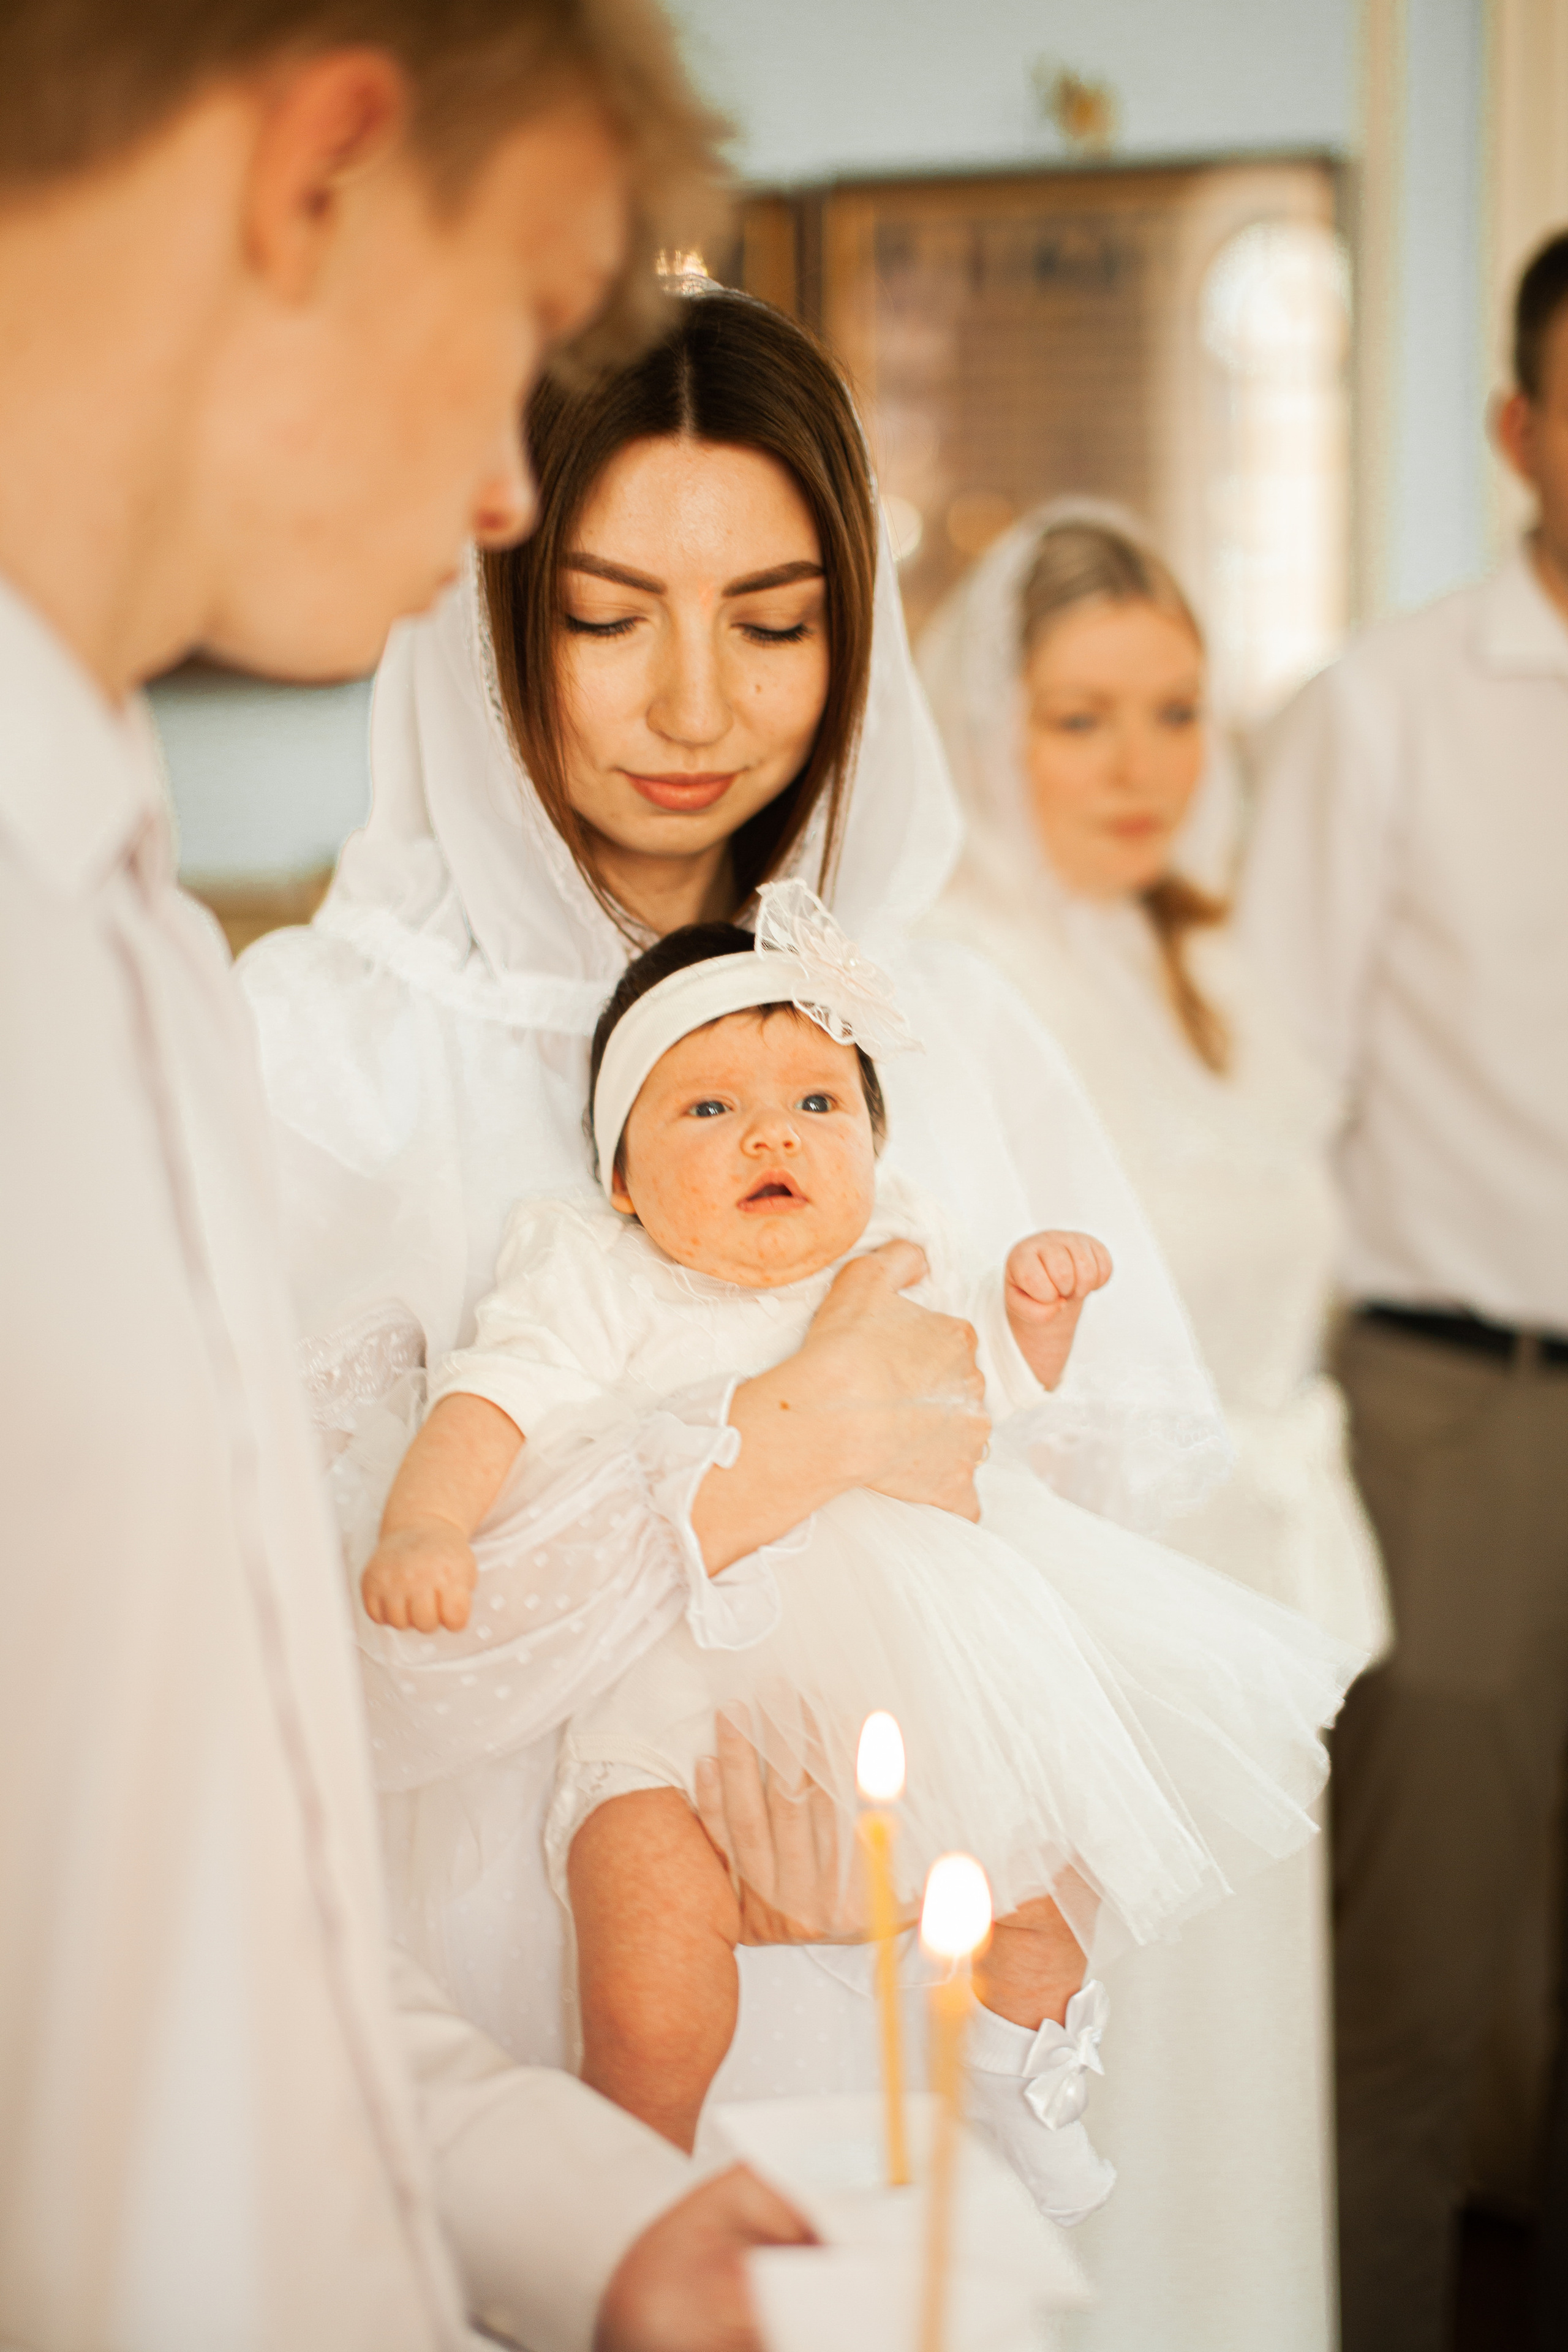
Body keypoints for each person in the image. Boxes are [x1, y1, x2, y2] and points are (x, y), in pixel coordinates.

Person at [0, 7, 847, 2347]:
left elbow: (216, 1872)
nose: (504, 488)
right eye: (516, 324)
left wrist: (580, 2216)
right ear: (323, 171)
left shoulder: (136, 940)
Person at [239, 288, 1238, 2147]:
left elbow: (1083, 1593)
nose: (697, 705)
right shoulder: (319, 1059)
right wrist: (770, 1445)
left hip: (882, 2009)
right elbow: (268, 1683)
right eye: (608, 619)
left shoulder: (955, 1026)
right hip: (462, 2040)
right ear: (485, 621)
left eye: (775, 625)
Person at [353, 886, 1359, 2217]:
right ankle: (630, 2175)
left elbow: (982, 1399)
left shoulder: (899, 1254)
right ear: (618, 1178)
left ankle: (1022, 2067)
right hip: (666, 1708)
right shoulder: (596, 1274)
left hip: (917, 1669)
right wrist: (427, 1521)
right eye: (705, 1109)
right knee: (647, 1963)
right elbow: (487, 1402)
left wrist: (1033, 1318)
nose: (770, 1129)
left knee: (1049, 1869)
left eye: (817, 1104)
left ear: (875, 1147)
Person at [919, 502, 1389, 2352]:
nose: (1139, 767)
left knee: (1247, 2080)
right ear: (989, 730)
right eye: (1081, 717)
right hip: (1097, 1627)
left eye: (1176, 713)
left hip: (1258, 1602)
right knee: (1109, 2099)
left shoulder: (1212, 968)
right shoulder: (968, 981)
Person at [1240, 232, 1568, 2352]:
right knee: (1422, 2003)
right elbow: (1276, 1084)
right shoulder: (1386, 711)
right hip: (1461, 1415)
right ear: (1523, 428)